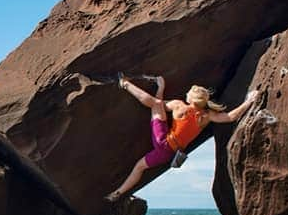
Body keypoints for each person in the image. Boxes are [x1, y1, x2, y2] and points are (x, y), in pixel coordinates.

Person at [107, 74, 259, 199]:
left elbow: (157, 104)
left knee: (155, 104)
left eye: (189, 93)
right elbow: (230, 117)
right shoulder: (206, 115)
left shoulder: (179, 105)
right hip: (168, 153)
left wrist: (161, 87)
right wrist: (250, 101)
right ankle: (118, 192)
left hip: (162, 141)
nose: (186, 93)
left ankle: (124, 83)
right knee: (139, 167)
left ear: (191, 99)